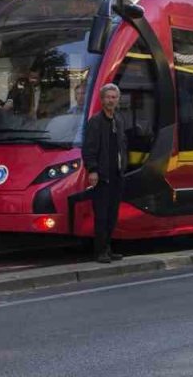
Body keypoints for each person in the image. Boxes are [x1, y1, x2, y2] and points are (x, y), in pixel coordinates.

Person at [82, 83, 128, 263]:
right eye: (108, 97)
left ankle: (108, 248)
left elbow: (123, 145)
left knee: (112, 215)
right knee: (101, 215)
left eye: (114, 97)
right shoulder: (95, 121)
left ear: (118, 100)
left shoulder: (119, 120)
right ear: (102, 100)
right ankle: (100, 251)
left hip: (117, 175)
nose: (111, 100)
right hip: (102, 176)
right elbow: (89, 148)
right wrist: (92, 170)